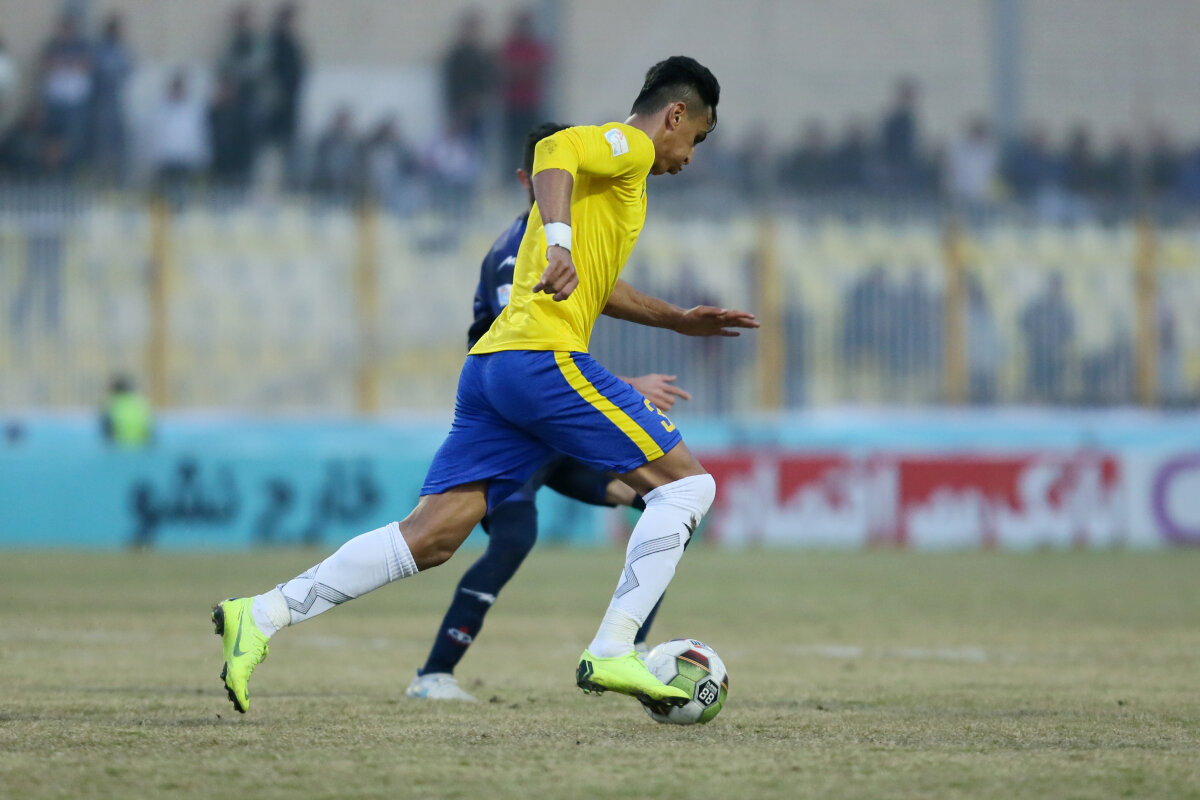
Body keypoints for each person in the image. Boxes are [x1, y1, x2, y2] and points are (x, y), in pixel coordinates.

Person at [211, 55, 758, 715]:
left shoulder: (617, 185)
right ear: (675, 115)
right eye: (696, 138)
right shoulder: (630, 147)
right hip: (540, 358)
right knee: (688, 487)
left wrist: (675, 319)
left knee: (431, 536)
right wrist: (559, 243)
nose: (690, 156)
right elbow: (555, 148)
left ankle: (260, 614)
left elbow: (598, 283)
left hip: (493, 367)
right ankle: (614, 648)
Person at [406, 122, 691, 701]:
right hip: (516, 425)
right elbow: (526, 354)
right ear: (528, 179)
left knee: (659, 502)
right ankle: (433, 675)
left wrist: (676, 320)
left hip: (555, 433)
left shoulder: (570, 239)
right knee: (512, 537)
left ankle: (628, 647)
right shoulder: (517, 250)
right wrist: (626, 385)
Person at [101, 374, 153, 448]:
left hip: (118, 445)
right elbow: (150, 430)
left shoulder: (111, 404)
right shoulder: (141, 403)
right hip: (140, 446)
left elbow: (106, 430)